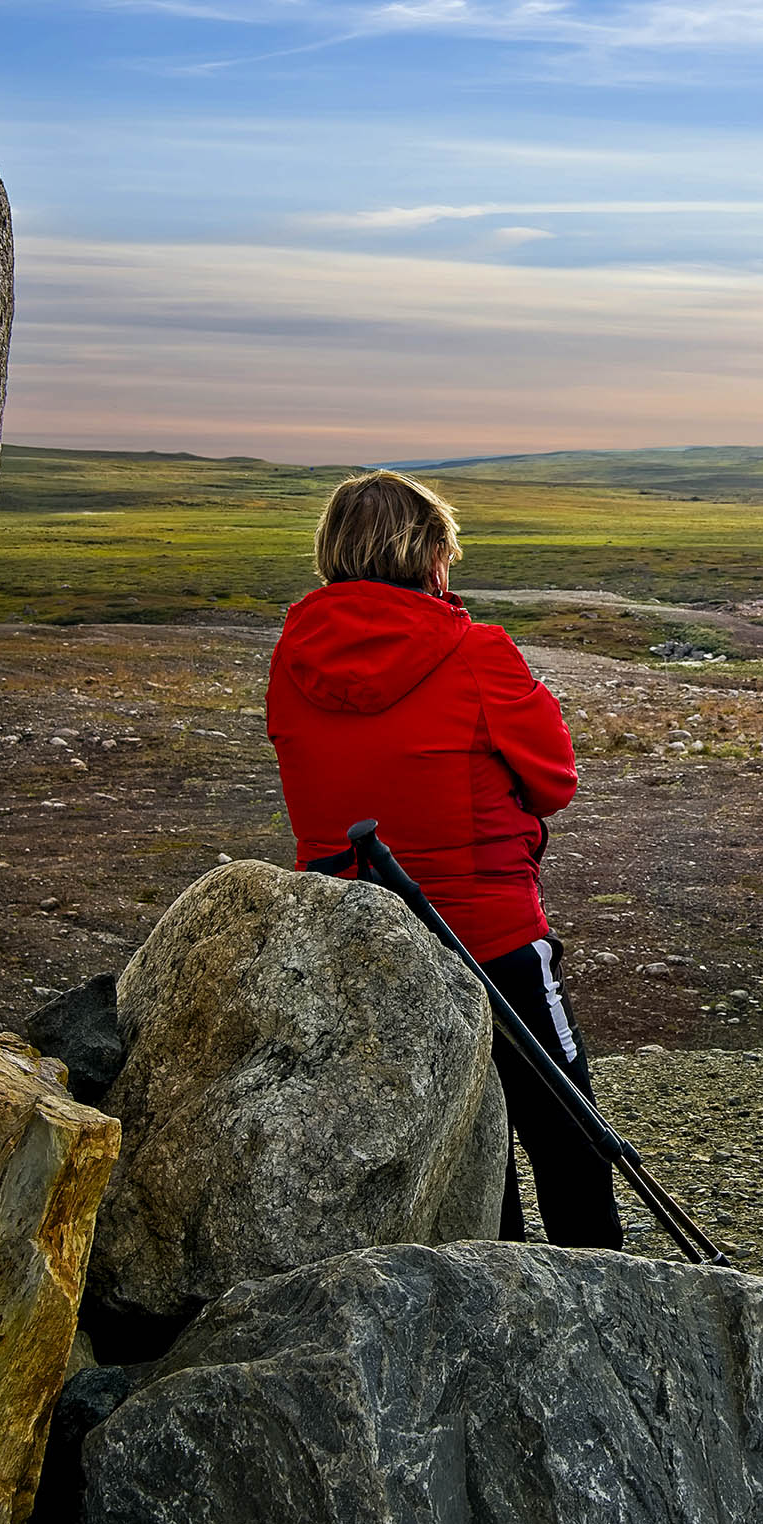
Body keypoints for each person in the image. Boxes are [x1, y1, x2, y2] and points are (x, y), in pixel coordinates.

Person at [264, 469, 623, 1248]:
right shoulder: (477, 652)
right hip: (488, 938)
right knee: (568, 1134)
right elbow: (555, 780)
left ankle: (484, 1290)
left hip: (355, 945)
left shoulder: (291, 656)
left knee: (458, 1149)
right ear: (430, 554)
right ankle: (602, 1299)